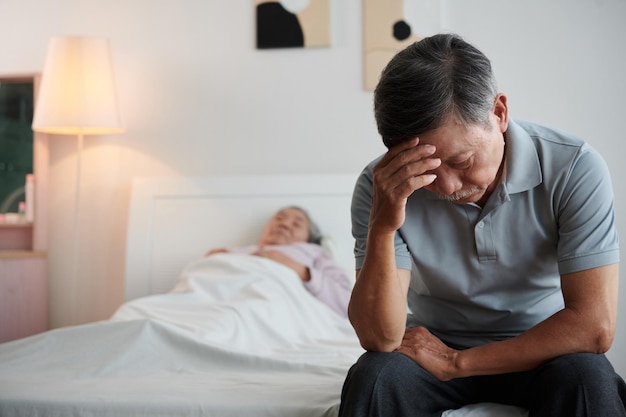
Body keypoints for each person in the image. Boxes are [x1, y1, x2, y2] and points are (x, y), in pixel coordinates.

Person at [340, 33, 625, 416]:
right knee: (375, 377)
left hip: (542, 346)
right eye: (428, 171)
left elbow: (594, 326)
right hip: (431, 343)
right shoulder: (382, 186)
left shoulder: (574, 168)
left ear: (499, 113)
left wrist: (458, 363)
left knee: (589, 377)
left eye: (461, 162)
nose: (447, 187)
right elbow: (379, 336)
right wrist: (383, 225)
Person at [206, 206, 352, 318]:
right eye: (279, 219)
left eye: (297, 224)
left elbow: (348, 303)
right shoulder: (239, 251)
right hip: (220, 303)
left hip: (274, 309)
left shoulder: (315, 253)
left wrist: (297, 268)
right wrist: (215, 259)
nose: (285, 224)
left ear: (308, 237)